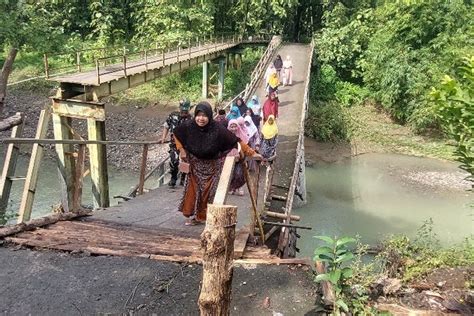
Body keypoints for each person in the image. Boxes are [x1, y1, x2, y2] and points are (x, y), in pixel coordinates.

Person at [173, 102, 262, 225]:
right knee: (193, 192)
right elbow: (176, 134)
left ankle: (204, 217)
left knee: (210, 193)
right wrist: (181, 150)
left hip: (213, 167)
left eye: (204, 116)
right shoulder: (188, 126)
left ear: (209, 116)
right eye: (198, 115)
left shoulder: (217, 129)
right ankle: (192, 216)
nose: (201, 119)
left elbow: (235, 141)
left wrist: (251, 153)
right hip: (195, 165)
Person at [159, 98, 191, 187]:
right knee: (174, 161)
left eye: (186, 109)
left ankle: (183, 179)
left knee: (186, 161)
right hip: (174, 144)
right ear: (180, 107)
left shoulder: (190, 119)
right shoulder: (173, 116)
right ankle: (173, 179)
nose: (184, 111)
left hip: (186, 144)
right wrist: (163, 138)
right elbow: (166, 126)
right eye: (183, 109)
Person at [227, 119, 249, 196]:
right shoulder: (226, 135)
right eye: (231, 126)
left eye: (235, 126)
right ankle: (232, 188)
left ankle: (240, 187)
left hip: (240, 158)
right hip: (229, 158)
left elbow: (245, 147)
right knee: (231, 174)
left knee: (239, 174)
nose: (233, 128)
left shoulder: (242, 135)